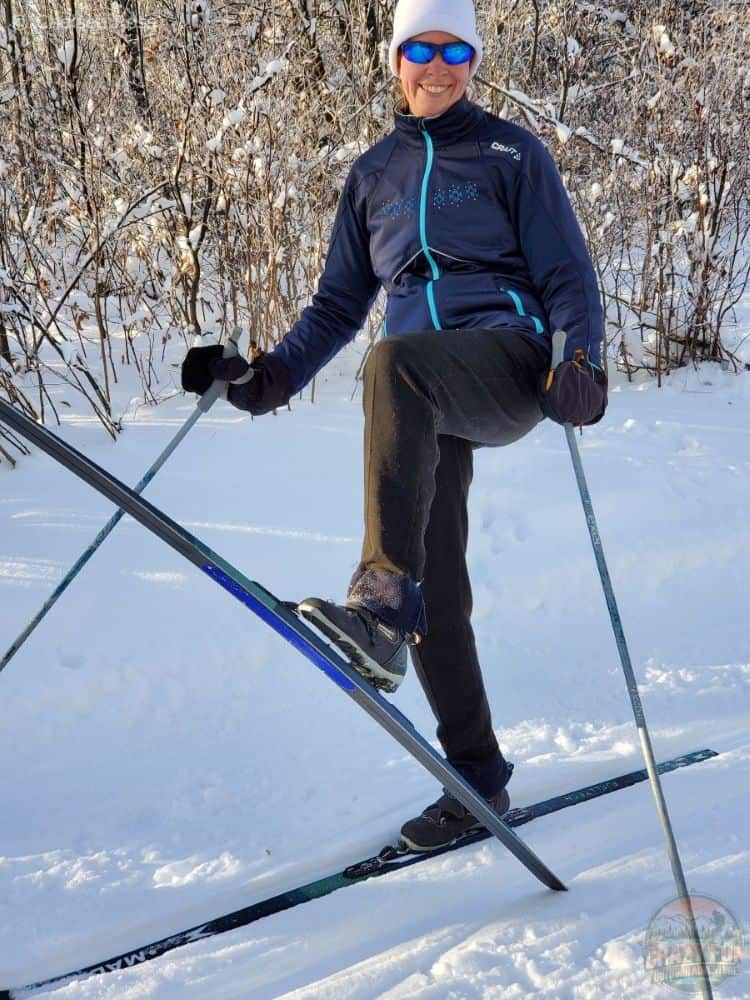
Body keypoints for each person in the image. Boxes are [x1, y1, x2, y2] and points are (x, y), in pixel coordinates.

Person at [182, 0, 607, 851]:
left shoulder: (511, 154)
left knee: (394, 362)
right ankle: (477, 780)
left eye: (456, 50)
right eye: (423, 49)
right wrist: (264, 379)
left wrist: (582, 359)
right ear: (397, 62)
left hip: (506, 362)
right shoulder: (373, 174)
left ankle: (377, 612)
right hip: (420, 396)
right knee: (438, 584)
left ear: (475, 61)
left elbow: (568, 273)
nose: (439, 66)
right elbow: (339, 305)